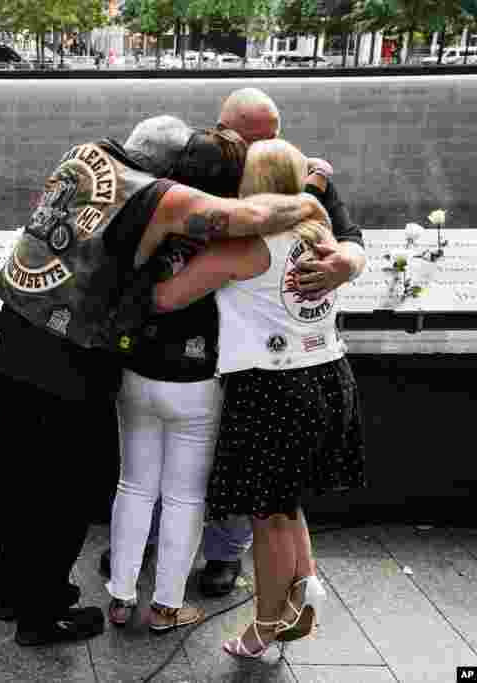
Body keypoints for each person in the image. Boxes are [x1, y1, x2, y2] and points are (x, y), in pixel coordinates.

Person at [0, 114, 329, 647]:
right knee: (65, 490)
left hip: (13, 330)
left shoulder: (88, 153)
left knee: (21, 480)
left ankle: (11, 593)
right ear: (170, 172)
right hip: (68, 358)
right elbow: (249, 215)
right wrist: (309, 202)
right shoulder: (161, 198)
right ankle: (43, 613)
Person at [99, 87, 367, 598]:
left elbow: (352, 241)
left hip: (252, 361)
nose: (256, 149)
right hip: (231, 357)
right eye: (248, 139)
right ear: (224, 130)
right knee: (196, 474)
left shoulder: (290, 173)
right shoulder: (204, 165)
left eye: (268, 138)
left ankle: (222, 556)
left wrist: (342, 265)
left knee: (231, 474)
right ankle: (148, 552)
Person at [153, 139, 367, 657]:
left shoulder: (243, 248)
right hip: (328, 375)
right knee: (287, 504)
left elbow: (167, 297)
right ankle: (304, 591)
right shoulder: (321, 234)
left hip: (273, 388)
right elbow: (350, 247)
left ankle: (263, 629)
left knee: (268, 517)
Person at [105, 124, 252, 631]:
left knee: (134, 483)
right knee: (186, 494)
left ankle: (121, 598)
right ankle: (167, 605)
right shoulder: (236, 229)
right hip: (195, 381)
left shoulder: (155, 208)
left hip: (136, 371)